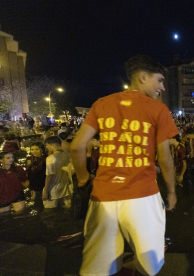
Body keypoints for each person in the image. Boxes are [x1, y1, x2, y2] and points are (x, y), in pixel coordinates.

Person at [70, 55, 178, 276]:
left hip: (104, 196)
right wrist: (172, 191)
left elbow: (77, 147)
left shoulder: (102, 104)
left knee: (99, 266)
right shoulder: (158, 110)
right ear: (142, 77)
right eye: (159, 80)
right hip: (143, 195)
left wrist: (83, 178)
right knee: (150, 262)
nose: (162, 87)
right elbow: (165, 159)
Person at [43, 136, 74, 209]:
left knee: (49, 212)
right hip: (67, 188)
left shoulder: (50, 158)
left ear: (53, 145)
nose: (46, 147)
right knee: (68, 209)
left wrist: (45, 192)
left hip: (53, 189)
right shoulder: (69, 155)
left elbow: (50, 175)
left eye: (47, 145)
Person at [26, 142, 47, 211]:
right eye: (32, 149)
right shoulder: (29, 159)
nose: (34, 151)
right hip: (33, 183)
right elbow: (28, 171)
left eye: (36, 149)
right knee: (35, 202)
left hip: (43, 183)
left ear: (42, 149)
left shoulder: (46, 159)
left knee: (41, 203)